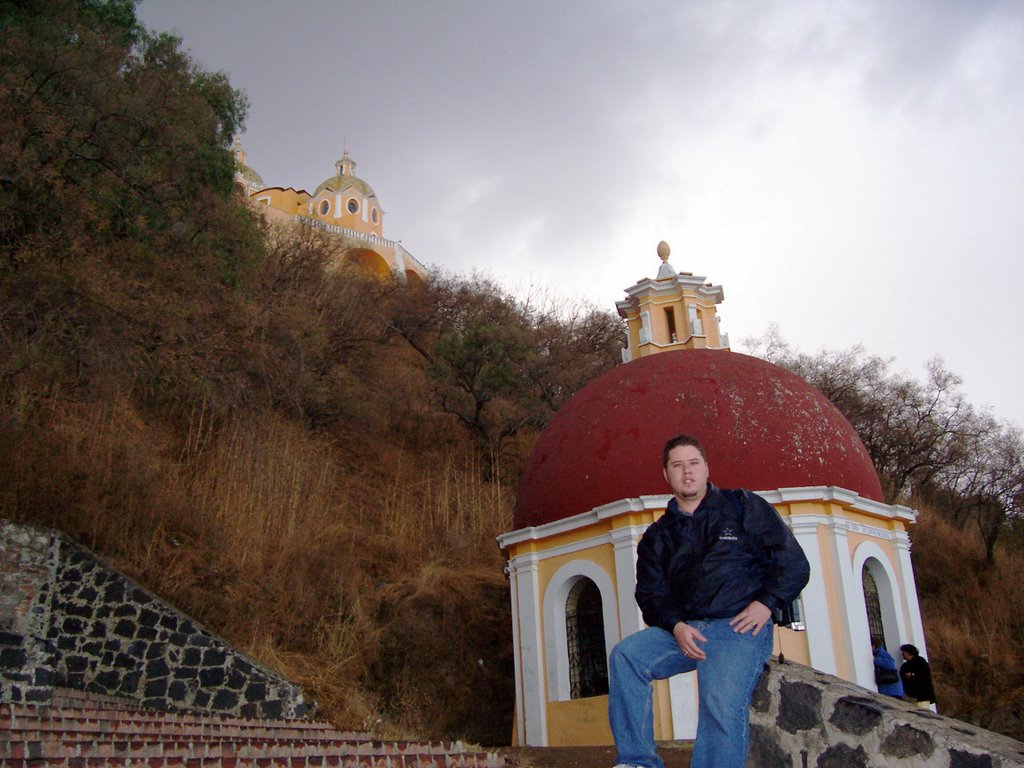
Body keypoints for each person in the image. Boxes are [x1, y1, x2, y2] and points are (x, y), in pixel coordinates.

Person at [608, 433, 811, 768]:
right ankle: (637, 760)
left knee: (719, 700)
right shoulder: (658, 536)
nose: (687, 472)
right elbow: (650, 594)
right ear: (667, 475)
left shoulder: (742, 506)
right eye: (678, 466)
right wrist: (675, 626)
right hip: (686, 630)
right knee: (626, 657)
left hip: (739, 626)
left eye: (693, 464)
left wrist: (766, 602)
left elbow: (793, 564)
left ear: (706, 468)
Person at [899, 643, 937, 709]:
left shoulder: (920, 662)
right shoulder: (905, 665)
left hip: (923, 694)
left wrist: (912, 675)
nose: (902, 654)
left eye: (903, 652)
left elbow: (924, 675)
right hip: (910, 694)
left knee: (923, 712)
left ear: (908, 652)